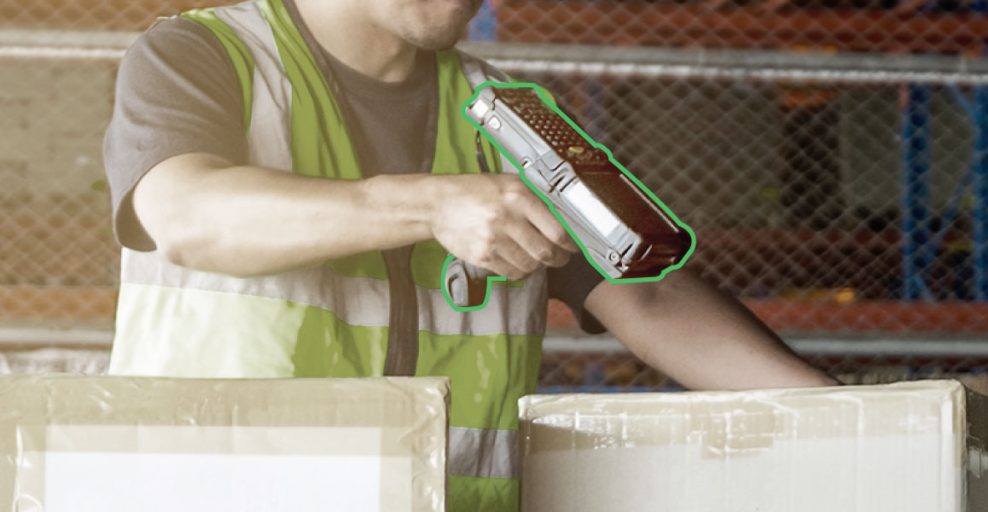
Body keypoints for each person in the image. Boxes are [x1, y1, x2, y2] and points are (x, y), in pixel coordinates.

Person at [103, 0, 837, 509]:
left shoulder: (509, 117)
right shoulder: (203, 55)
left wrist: (850, 418)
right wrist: (430, 205)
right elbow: (185, 215)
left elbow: (646, 295)